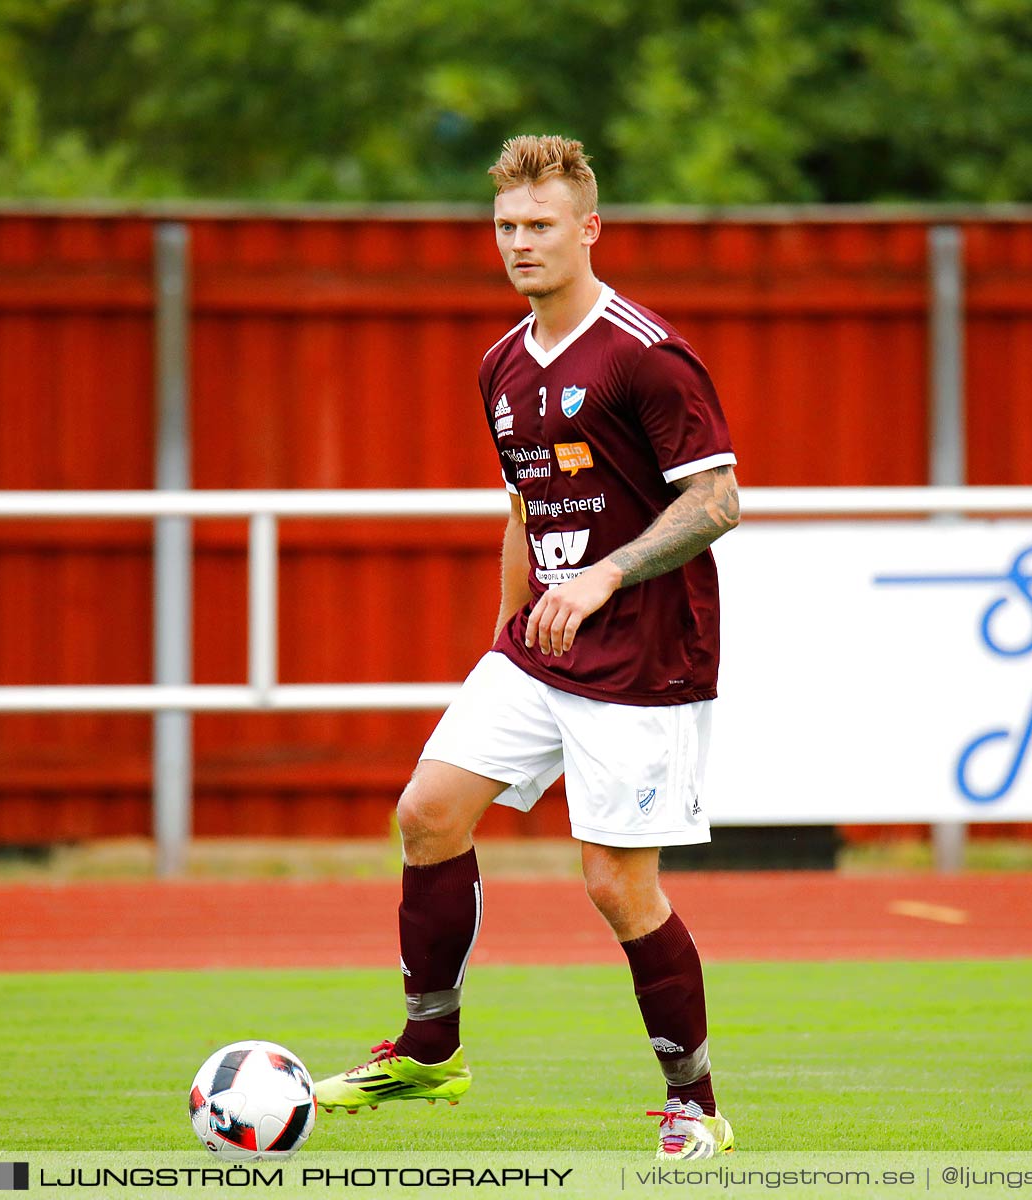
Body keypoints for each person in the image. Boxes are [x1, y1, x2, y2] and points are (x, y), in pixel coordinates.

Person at [312, 134, 741, 1161]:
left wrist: (603, 575)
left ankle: (696, 1105)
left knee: (614, 884)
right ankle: (430, 1047)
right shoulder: (501, 365)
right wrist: (502, 641)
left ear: (588, 228)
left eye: (540, 225)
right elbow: (523, 510)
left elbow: (718, 500)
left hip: (644, 658)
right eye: (506, 226)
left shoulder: (644, 352)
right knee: (426, 813)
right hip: (537, 650)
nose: (520, 243)